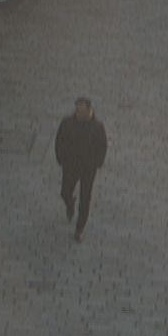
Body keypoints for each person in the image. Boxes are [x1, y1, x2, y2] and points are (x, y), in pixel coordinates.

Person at [54, 98, 108, 242]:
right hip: (70, 165)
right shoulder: (67, 123)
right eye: (77, 111)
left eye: (82, 111)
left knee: (85, 199)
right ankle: (69, 203)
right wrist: (61, 158)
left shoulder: (97, 127)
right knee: (65, 191)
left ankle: (79, 229)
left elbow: (102, 146)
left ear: (89, 110)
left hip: (88, 169)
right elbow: (59, 140)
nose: (79, 114)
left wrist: (97, 163)